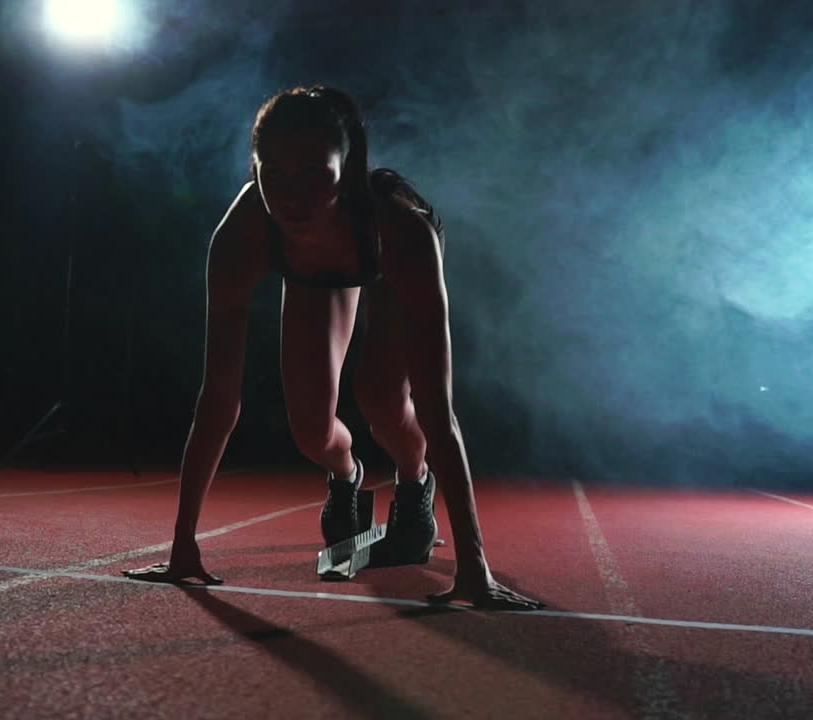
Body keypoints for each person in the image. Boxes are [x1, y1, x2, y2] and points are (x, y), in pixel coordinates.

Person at [124, 85, 541, 609]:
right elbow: (219, 396)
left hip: (381, 261)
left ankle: (414, 480)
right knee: (309, 430)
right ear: (254, 170)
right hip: (314, 277)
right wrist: (183, 544)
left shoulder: (403, 231)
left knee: (383, 401)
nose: (292, 197)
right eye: (274, 175)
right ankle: (348, 476)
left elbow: (438, 409)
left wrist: (474, 567)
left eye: (313, 173)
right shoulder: (244, 232)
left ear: (349, 167)